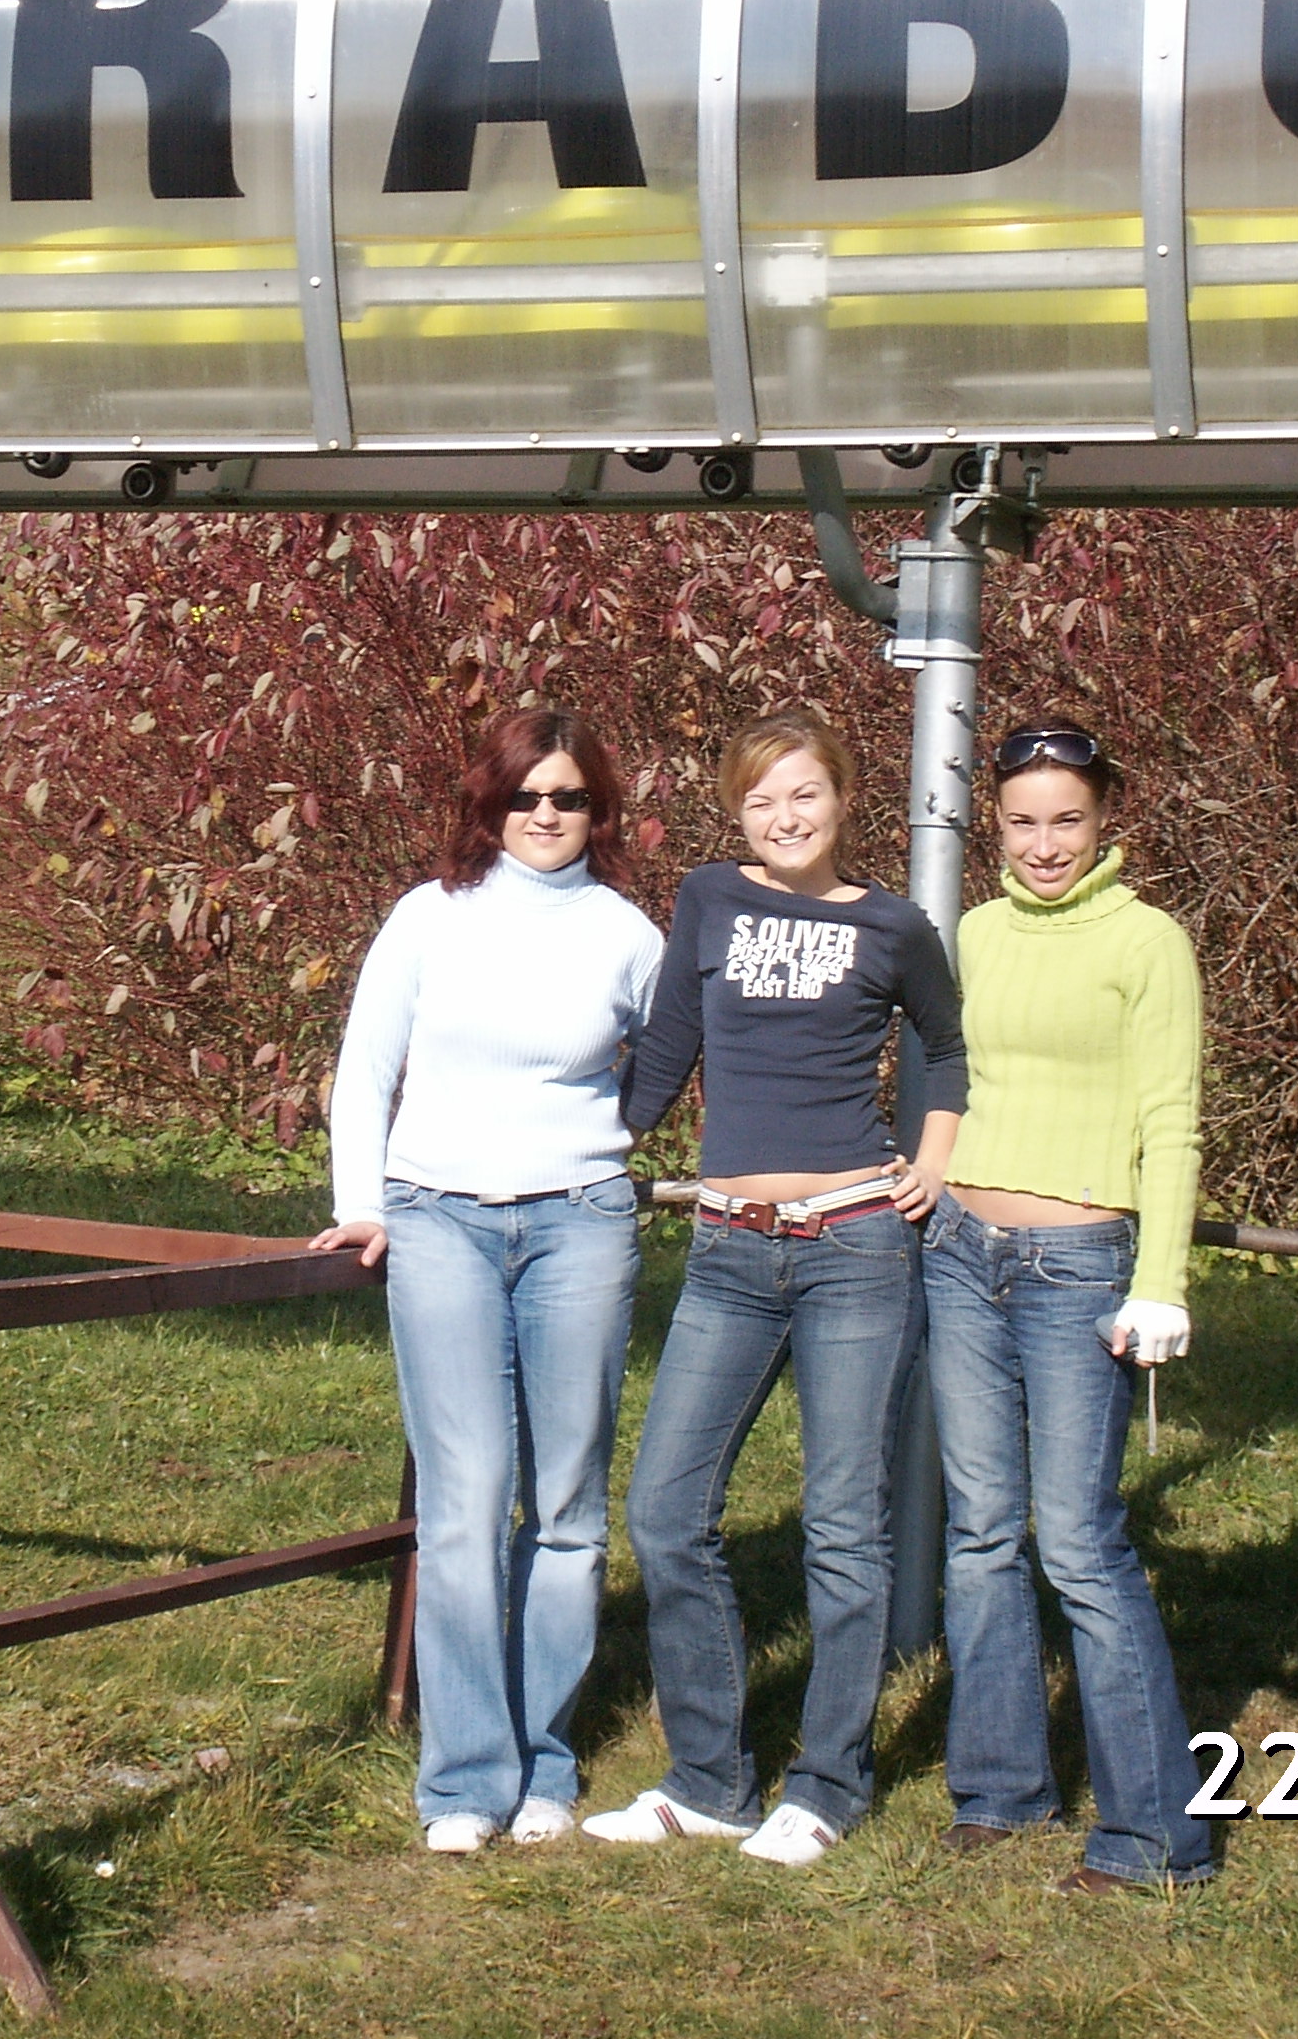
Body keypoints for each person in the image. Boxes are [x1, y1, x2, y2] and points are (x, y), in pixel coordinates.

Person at [584, 708, 966, 1867]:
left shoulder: (895, 927)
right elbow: (666, 1050)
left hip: (855, 1248)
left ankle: (830, 1785)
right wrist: (588, 1146)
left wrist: (935, 1161)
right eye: (760, 799)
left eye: (804, 793)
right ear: (736, 813)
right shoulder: (709, 899)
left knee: (844, 1532)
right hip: (729, 1254)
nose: (784, 816)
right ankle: (709, 1781)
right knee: (664, 1512)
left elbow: (947, 1050)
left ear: (842, 798)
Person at [313, 707, 666, 1856]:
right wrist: (363, 1202)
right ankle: (466, 1780)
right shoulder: (429, 916)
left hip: (580, 1225)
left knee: (566, 1509)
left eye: (568, 797)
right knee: (464, 1505)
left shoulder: (627, 934)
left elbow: (675, 1057)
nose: (545, 814)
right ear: (491, 805)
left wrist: (610, 1143)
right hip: (438, 1221)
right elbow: (366, 1068)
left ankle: (547, 1763)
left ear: (597, 809)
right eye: (525, 796)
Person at [927, 718, 1214, 1893]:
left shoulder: (1148, 943)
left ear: (1105, 821)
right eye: (1023, 822)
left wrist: (1160, 1280)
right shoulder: (973, 935)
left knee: (1083, 1545)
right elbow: (951, 1081)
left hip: (1078, 1267)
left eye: (1068, 821)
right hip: (960, 1254)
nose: (1045, 845)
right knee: (981, 1534)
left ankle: (1155, 1837)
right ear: (993, 825)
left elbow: (1172, 1124)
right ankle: (1001, 1789)